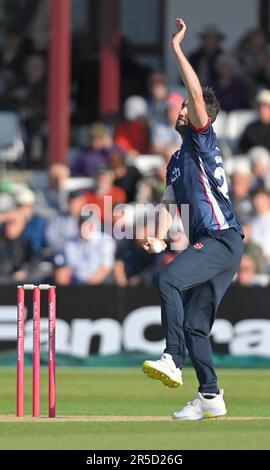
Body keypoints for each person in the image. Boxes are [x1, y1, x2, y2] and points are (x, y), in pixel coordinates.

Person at [142, 19, 244, 421]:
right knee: (196, 325)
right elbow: (169, 206)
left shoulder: (203, 140)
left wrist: (177, 49)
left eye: (185, 106)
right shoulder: (177, 159)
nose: (181, 110)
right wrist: (159, 239)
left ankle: (171, 358)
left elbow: (197, 94)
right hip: (214, 242)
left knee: (168, 280)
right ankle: (210, 397)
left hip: (222, 238)